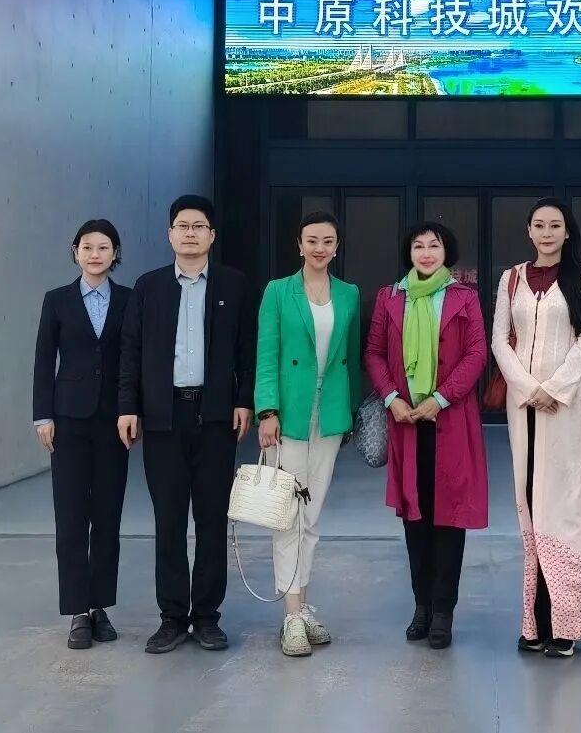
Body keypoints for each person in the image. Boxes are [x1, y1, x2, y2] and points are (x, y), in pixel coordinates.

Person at [118, 195, 255, 654]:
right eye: (183, 225)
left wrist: (244, 400)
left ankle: (207, 617)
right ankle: (173, 617)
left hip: (215, 417)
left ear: (212, 235)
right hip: (164, 417)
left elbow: (247, 349)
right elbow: (131, 351)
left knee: (212, 519)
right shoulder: (149, 286)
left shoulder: (234, 285)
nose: (190, 233)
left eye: (199, 226)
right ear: (170, 234)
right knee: (170, 520)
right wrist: (128, 406)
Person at [364, 222, 488, 650]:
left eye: (434, 245)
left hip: (450, 421)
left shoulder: (463, 297)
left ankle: (443, 612)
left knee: (449, 517)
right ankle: (421, 606)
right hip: (406, 422)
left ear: (446, 251)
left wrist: (441, 398)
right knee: (415, 517)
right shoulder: (390, 297)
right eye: (419, 246)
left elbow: (476, 354)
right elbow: (374, 353)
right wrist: (391, 397)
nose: (426, 252)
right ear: (409, 253)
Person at [491, 198, 581, 658]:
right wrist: (526, 386)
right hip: (523, 404)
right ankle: (534, 623)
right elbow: (499, 338)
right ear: (529, 231)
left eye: (556, 225)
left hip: (567, 403)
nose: (547, 232)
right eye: (539, 224)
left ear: (567, 231)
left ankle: (567, 624)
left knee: (565, 506)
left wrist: (554, 388)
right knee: (530, 502)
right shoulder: (511, 278)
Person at [255, 211, 361, 657]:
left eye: (328, 241)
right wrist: (267, 410)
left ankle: (301, 604)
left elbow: (351, 358)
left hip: (329, 415)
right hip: (289, 416)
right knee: (288, 514)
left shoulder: (349, 294)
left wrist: (349, 412)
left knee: (312, 515)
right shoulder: (278, 291)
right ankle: (292, 615)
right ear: (299, 245)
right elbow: (267, 354)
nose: (320, 248)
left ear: (337, 247)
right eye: (312, 240)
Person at [33, 220, 131, 649]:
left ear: (115, 254)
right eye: (87, 247)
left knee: (108, 515)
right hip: (68, 420)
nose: (95, 254)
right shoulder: (57, 300)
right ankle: (77, 610)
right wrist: (42, 416)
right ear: (75, 251)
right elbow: (43, 359)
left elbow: (133, 358)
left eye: (103, 247)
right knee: (72, 516)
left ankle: (100, 606)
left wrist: (132, 409)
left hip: (113, 422)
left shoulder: (129, 300)